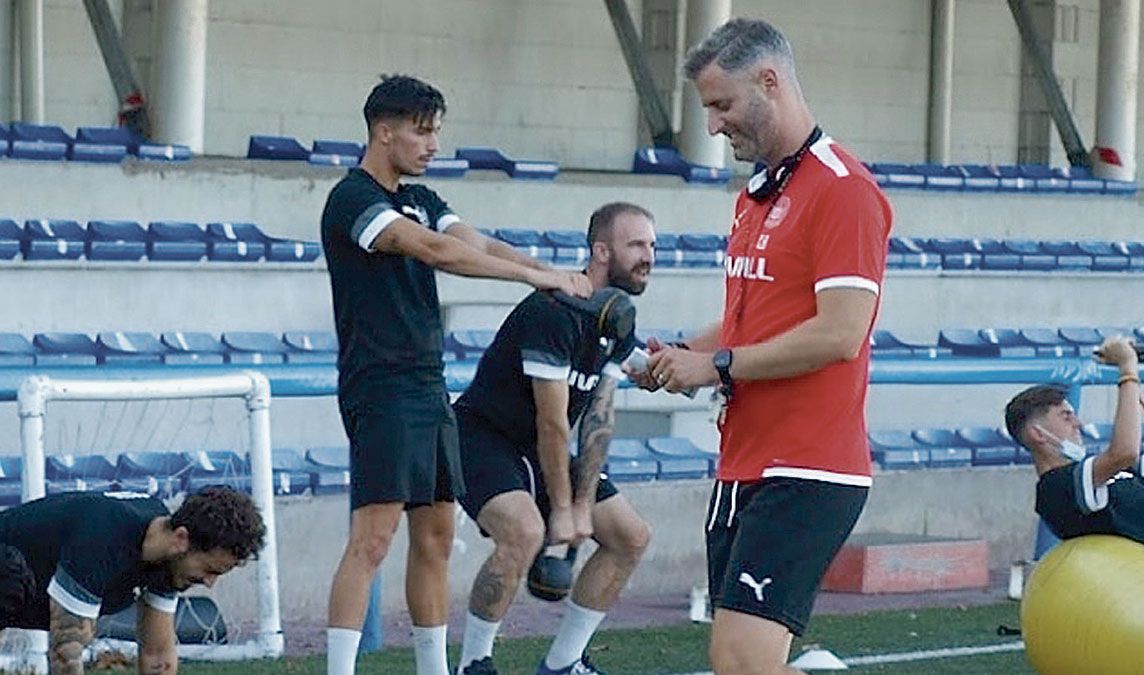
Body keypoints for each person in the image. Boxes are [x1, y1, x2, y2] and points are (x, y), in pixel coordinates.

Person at [640, 18, 893, 675]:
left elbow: (841, 332)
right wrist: (679, 354)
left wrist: (717, 363)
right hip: (744, 458)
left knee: (745, 662)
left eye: (722, 105)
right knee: (737, 664)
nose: (715, 126)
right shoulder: (756, 194)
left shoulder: (844, 189)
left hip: (809, 466)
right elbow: (747, 322)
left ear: (770, 81)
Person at [320, 74, 590, 675]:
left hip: (427, 385)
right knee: (373, 540)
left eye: (436, 130)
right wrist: (535, 280)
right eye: (422, 131)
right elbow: (438, 253)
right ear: (383, 132)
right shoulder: (353, 199)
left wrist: (557, 273)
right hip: (381, 387)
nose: (433, 143)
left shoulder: (423, 199)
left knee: (437, 536)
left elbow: (476, 242)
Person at [451, 202, 656, 675]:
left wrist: (584, 506)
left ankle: (563, 664)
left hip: (537, 445)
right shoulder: (554, 310)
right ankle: (473, 664)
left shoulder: (614, 319)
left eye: (652, 244)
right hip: (481, 436)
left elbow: (599, 418)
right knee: (525, 532)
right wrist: (564, 509)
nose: (649, 256)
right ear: (601, 251)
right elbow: (553, 422)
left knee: (630, 537)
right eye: (637, 245)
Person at [0, 487, 265, 675]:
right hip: (9, 573)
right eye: (210, 570)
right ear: (181, 539)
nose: (209, 583)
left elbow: (158, 655)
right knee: (12, 576)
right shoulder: (103, 538)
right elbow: (65, 656)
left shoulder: (166, 552)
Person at [1005, 331, 1144, 565]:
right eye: (1066, 416)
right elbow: (1125, 451)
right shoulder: (1054, 490)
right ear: (1037, 433)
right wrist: (1128, 370)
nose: (1078, 424)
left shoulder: (1109, 472)